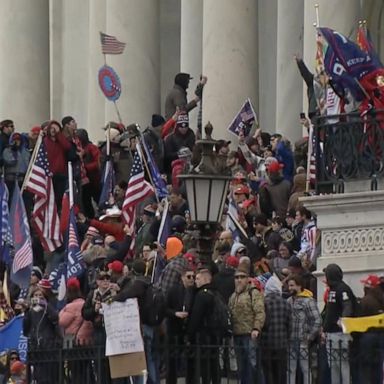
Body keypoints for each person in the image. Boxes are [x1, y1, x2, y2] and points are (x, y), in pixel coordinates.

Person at [228, 263, 265, 384]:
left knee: (253, 365)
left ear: (248, 279)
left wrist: (256, 328)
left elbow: (260, 312)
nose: (239, 280)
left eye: (242, 277)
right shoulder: (233, 296)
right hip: (237, 334)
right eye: (237, 277)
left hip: (250, 334)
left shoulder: (253, 293)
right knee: (242, 367)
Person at [322, 263, 357, 384]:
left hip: (340, 334)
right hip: (331, 334)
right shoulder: (332, 289)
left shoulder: (342, 288)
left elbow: (347, 305)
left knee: (343, 365)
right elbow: (329, 312)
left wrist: (342, 320)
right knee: (334, 367)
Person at [187, 268, 222, 384]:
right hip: (215, 334)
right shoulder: (216, 293)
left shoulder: (202, 295)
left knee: (205, 366)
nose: (195, 281)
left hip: (203, 335)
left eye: (198, 278)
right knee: (214, 363)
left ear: (206, 279)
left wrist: (189, 334)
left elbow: (195, 317)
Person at [287, 274, 321, 384]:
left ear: (299, 285)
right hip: (291, 340)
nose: (290, 288)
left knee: (306, 369)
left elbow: (317, 320)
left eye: (292, 285)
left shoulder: (308, 301)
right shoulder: (288, 301)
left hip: (303, 341)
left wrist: (309, 337)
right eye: (289, 286)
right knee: (290, 370)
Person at [165, 267, 196, 384]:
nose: (191, 279)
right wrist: (175, 313)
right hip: (174, 329)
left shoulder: (195, 291)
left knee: (190, 361)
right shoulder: (173, 290)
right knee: (171, 360)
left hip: (188, 329)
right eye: (189, 277)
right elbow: (165, 308)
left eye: (193, 277)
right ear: (182, 277)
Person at [261, 275, 291, 384]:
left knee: (268, 372)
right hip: (281, 343)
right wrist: (287, 338)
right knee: (281, 373)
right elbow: (289, 324)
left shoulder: (263, 303)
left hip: (266, 343)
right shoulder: (286, 303)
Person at [357, 274, 384, 383]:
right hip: (381, 336)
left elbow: (358, 321)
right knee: (378, 367)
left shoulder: (365, 301)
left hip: (367, 337)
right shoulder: (381, 299)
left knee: (365, 369)